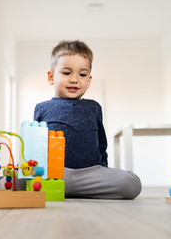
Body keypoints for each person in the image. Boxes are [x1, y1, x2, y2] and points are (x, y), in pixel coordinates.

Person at [34, 40, 141, 199]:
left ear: (89, 80)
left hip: (90, 175)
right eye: (66, 73)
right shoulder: (42, 108)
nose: (74, 79)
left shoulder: (94, 107)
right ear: (51, 77)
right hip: (53, 174)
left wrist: (103, 170)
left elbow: (101, 144)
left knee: (131, 184)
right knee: (16, 179)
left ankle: (69, 189)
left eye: (82, 74)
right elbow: (35, 145)